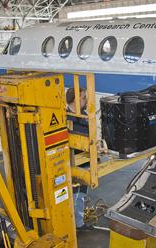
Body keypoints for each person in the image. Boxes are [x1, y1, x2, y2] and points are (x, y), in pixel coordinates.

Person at [66, 87, 89, 229]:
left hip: (85, 160)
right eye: (83, 97)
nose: (86, 100)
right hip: (73, 163)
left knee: (81, 194)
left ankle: (79, 223)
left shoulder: (84, 115)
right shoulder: (65, 117)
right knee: (74, 195)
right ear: (75, 99)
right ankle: (73, 225)